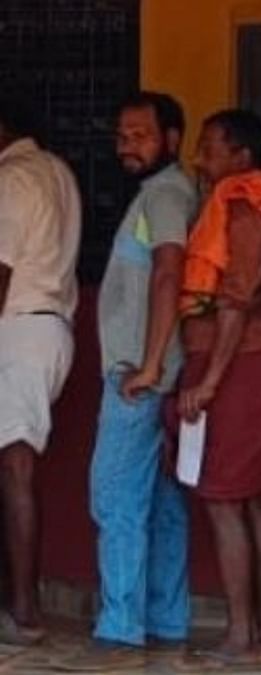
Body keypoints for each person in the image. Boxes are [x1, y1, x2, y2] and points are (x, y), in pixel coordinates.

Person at [55, 92, 195, 672]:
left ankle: (119, 627)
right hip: (155, 372)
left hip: (139, 377)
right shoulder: (166, 193)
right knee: (159, 501)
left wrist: (150, 363)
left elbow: (169, 273)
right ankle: (165, 621)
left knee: (114, 496)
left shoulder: (165, 195)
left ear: (172, 137)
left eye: (140, 134)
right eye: (121, 136)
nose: (126, 146)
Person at [170, 109, 261, 670]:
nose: (200, 161)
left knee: (224, 500)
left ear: (241, 157)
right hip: (253, 361)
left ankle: (242, 636)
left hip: (236, 365)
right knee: (250, 500)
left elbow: (235, 299)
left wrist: (208, 381)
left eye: (209, 148)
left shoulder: (243, 205)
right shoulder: (258, 202)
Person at [0, 97, 81, 647]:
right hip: (51, 330)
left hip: (19, 329)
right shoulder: (59, 171)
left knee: (15, 471)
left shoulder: (11, 177)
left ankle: (25, 612)